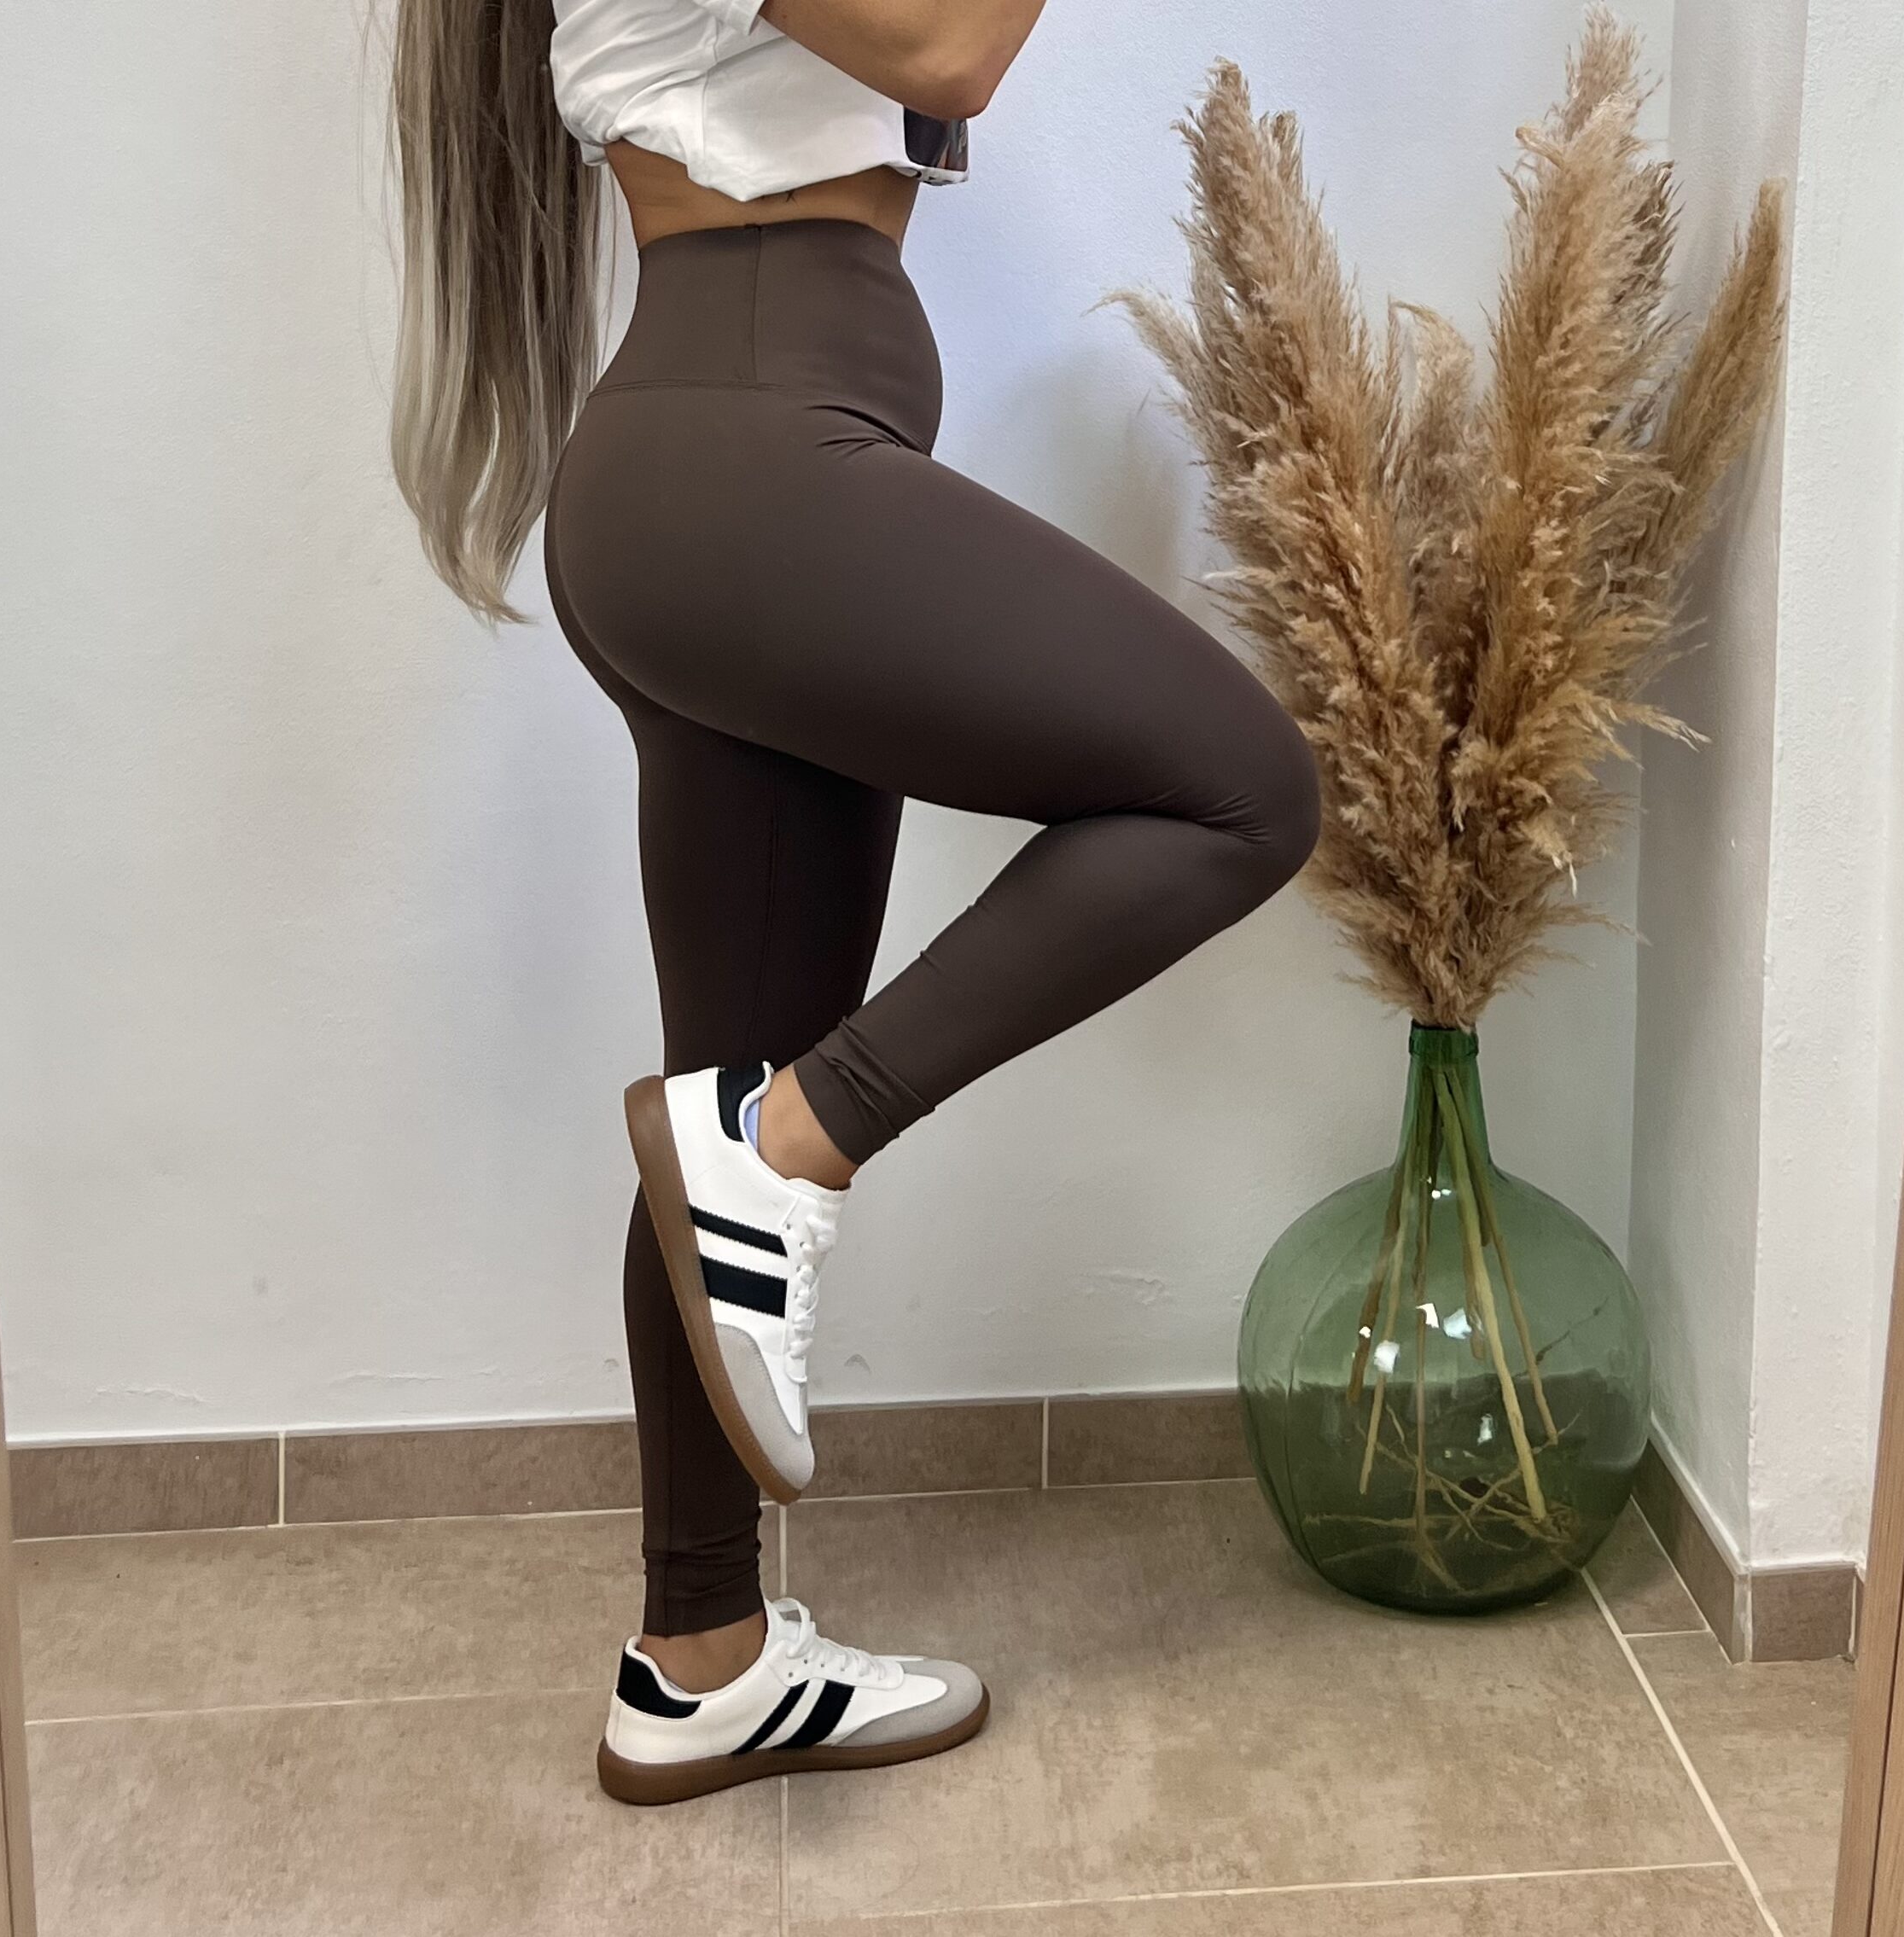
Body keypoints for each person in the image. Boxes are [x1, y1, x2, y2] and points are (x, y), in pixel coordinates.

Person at [387, 0, 1319, 1806]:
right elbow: (945, 50)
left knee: (713, 1094)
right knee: (1241, 789)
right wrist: (811, 1132)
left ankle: (699, 1658)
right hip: (750, 474)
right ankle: (790, 1144)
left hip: (731, 473)